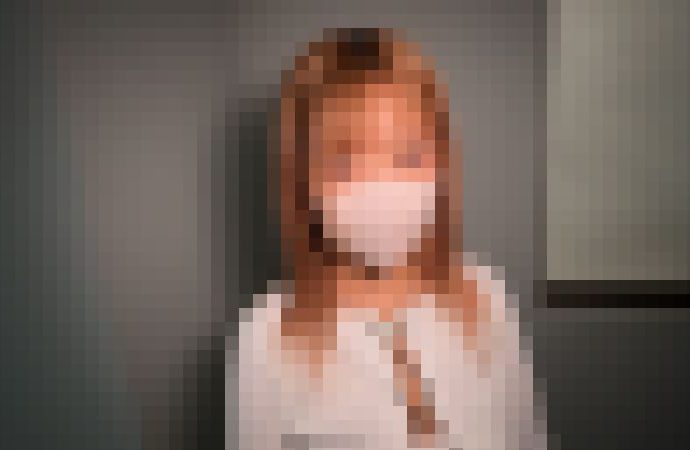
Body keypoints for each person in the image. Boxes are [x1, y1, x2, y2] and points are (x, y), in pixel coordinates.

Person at [234, 27, 545, 450]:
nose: (381, 187)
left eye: (409, 156)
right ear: (303, 182)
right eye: (344, 164)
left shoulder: (487, 296)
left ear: (442, 164)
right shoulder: (267, 339)